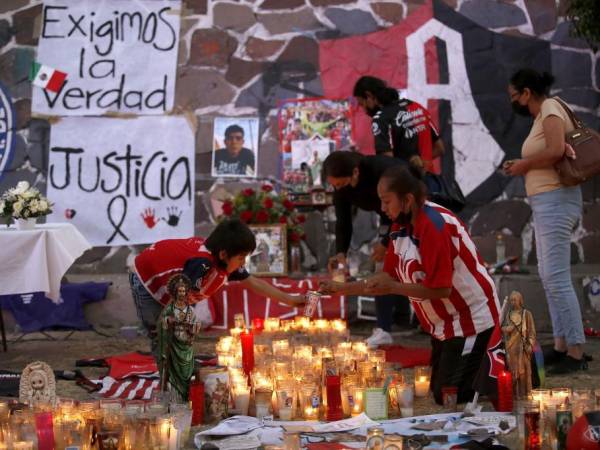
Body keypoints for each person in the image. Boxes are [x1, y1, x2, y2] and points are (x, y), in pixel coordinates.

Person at [320, 165, 500, 404]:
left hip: (471, 319)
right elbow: (387, 277)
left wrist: (393, 289)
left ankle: (498, 365)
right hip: (444, 325)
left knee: (449, 395)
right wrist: (342, 289)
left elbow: (441, 288)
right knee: (441, 390)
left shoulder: (434, 226)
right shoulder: (400, 225)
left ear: (407, 199)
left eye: (386, 202)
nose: (383, 210)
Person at [504, 68, 587, 374]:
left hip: (556, 200)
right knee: (548, 275)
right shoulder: (543, 116)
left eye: (515, 96)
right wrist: (524, 166)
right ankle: (563, 344)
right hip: (547, 201)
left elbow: (553, 151)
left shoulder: (550, 108)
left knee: (556, 277)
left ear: (527, 93)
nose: (514, 102)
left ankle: (576, 351)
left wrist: (524, 164)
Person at [130, 219, 304, 357]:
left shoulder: (223, 261)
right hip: (147, 280)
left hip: (174, 286)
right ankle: (169, 381)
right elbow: (178, 302)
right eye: (241, 257)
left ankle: (176, 369)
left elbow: (254, 283)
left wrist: (291, 300)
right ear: (223, 254)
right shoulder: (202, 265)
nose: (243, 263)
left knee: (176, 335)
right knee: (161, 334)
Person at [322, 151, 409, 347]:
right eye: (335, 186)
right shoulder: (341, 187)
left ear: (355, 172)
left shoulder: (382, 171)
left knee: (396, 264)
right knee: (383, 266)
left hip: (409, 215)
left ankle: (413, 320)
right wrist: (340, 252)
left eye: (341, 184)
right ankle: (384, 328)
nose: (339, 189)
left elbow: (400, 207)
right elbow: (343, 221)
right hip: (389, 219)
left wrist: (386, 241)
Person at [353, 76, 444, 170]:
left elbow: (387, 162)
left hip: (404, 182)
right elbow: (439, 148)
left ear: (368, 96)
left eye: (361, 104)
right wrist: (419, 165)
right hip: (430, 181)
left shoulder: (380, 118)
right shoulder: (415, 106)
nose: (364, 110)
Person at [501, 291, 536, 397]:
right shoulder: (508, 315)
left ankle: (525, 395)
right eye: (511, 300)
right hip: (511, 348)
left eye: (515, 299)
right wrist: (508, 329)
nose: (513, 302)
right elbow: (502, 327)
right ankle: (515, 396)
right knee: (513, 372)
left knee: (524, 372)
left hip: (523, 348)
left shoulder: (526, 314)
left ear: (520, 300)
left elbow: (532, 332)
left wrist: (530, 345)